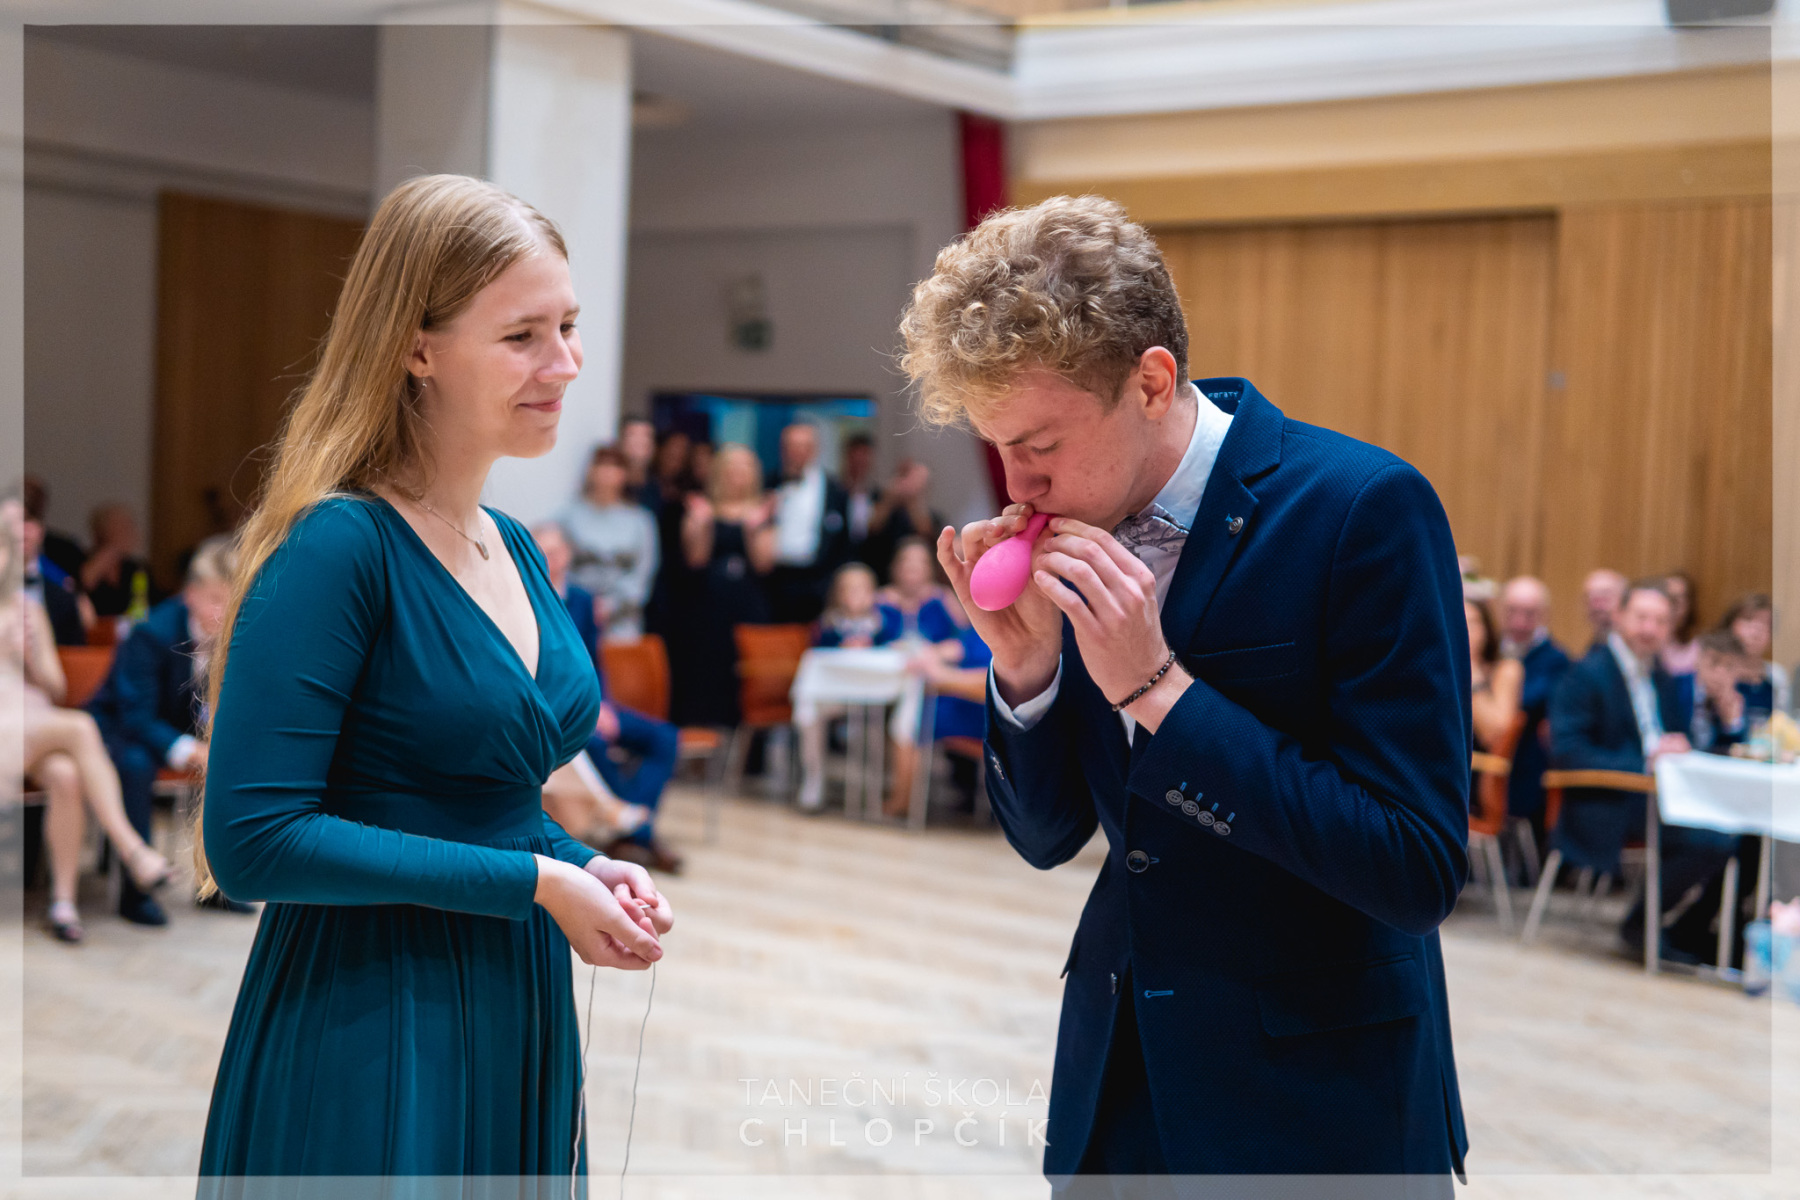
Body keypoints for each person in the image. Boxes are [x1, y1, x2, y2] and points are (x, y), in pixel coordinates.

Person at [905, 195, 1471, 1187]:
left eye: (1041, 445)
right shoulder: (1072, 523)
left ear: (1152, 381)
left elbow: (1414, 868)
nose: (1018, 486)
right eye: (1000, 449)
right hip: (1116, 1086)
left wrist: (1159, 691)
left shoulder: (1362, 510)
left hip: (1317, 1103)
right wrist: (1027, 669)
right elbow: (1048, 839)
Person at [190, 174, 671, 1190]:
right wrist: (535, 883)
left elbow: (477, 799)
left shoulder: (513, 547)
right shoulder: (340, 544)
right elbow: (253, 841)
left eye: (569, 326)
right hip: (372, 1006)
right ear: (418, 349)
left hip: (509, 982)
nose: (565, 363)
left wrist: (578, 862)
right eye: (523, 336)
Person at [1, 496, 174, 944]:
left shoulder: (30, 610)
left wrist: (29, 658)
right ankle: (133, 849)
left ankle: (62, 903)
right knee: (81, 727)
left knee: (66, 774)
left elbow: (57, 688)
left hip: (36, 725)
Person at [1547, 580, 1737, 962]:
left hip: (1660, 796)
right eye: (1641, 618)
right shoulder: (1587, 672)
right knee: (1714, 839)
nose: (1650, 629)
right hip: (1607, 801)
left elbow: (1676, 736)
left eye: (1660, 621)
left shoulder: (1660, 676)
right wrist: (1645, 764)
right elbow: (1568, 751)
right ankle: (1641, 926)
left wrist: (1685, 743)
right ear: (1619, 616)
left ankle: (1695, 934)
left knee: (1741, 832)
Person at [87, 535, 253, 925]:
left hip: (174, 729)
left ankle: (213, 883)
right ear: (190, 594)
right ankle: (135, 891)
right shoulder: (152, 632)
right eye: (215, 599)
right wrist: (192, 750)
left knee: (230, 764)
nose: (225, 611)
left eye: (234, 600)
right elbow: (135, 716)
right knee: (136, 764)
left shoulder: (236, 635)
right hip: (120, 728)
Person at [530, 521, 682, 873]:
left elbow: (594, 661)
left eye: (555, 551)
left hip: (591, 702)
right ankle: (640, 835)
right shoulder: (526, 597)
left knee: (664, 737)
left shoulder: (582, 600)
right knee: (592, 744)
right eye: (542, 552)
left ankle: (630, 833)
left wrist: (603, 705)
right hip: (555, 709)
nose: (550, 559)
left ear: (568, 554)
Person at [666, 443, 775, 728]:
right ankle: (706, 738)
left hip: (748, 605)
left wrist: (753, 528)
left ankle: (747, 745)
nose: (738, 473)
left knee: (747, 674)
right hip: (708, 605)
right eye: (732, 466)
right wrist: (701, 524)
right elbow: (696, 559)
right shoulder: (702, 507)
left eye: (745, 466)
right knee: (707, 672)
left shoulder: (763, 511)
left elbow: (764, 565)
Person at [795, 562, 894, 812]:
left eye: (862, 589)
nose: (856, 595)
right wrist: (842, 646)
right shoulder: (829, 624)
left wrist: (872, 645)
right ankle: (813, 777)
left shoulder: (882, 623)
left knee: (874, 727)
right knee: (811, 714)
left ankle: (873, 784)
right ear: (838, 594)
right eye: (850, 589)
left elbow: (893, 647)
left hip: (874, 696)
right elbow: (816, 652)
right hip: (836, 696)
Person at [555, 445, 659, 641]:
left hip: (623, 621)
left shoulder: (640, 521)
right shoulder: (568, 517)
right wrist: (581, 603)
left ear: (624, 474)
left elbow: (643, 573)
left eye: (614, 466)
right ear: (591, 470)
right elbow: (556, 565)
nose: (607, 473)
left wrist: (612, 605)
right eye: (602, 465)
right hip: (574, 615)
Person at [1497, 576, 1571, 839]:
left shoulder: (1556, 660)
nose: (1519, 622)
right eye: (1512, 611)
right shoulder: (1493, 651)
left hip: (1526, 769)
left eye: (1529, 614)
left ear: (1544, 615)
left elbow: (1525, 703)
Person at [765, 421, 851, 623]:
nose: (798, 452)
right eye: (793, 446)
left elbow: (844, 541)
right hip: (774, 580)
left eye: (804, 446)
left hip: (816, 580)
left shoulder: (835, 489)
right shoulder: (767, 483)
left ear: (815, 449)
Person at [20, 500, 87, 645]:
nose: (20, 530)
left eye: (26, 520)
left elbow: (75, 650)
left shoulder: (62, 591)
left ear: (41, 529)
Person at [876, 537, 961, 645]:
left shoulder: (943, 597)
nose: (913, 566)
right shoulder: (879, 600)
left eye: (921, 561)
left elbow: (967, 634)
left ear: (931, 568)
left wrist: (946, 648)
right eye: (906, 560)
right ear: (894, 566)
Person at [79, 502, 156, 621]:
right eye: (122, 527)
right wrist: (109, 553)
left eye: (130, 526)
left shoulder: (136, 569)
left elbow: (142, 612)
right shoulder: (81, 560)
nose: (130, 533)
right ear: (102, 531)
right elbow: (81, 587)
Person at [1717, 591, 1790, 717]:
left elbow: (1784, 722)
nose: (1756, 632)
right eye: (1748, 620)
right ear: (1731, 625)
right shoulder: (1715, 670)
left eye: (1765, 624)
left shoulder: (1777, 677)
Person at [1467, 596, 1523, 754]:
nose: (1465, 631)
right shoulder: (1437, 670)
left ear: (1486, 629)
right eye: (1459, 622)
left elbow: (1495, 735)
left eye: (1472, 623)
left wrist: (1472, 669)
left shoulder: (1506, 668)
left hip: (1480, 764)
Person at [1690, 629, 1753, 755]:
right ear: (1697, 662)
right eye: (1714, 662)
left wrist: (1731, 723)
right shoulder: (1678, 693)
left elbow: (1735, 755)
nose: (1720, 672)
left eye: (1729, 667)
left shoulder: (1737, 702)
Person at [1582, 568, 1627, 651]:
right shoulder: (1592, 652)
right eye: (1592, 599)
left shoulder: (1644, 646)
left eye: (1604, 597)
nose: (1597, 606)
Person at [618, 416, 658, 508]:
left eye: (647, 436)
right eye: (632, 435)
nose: (640, 441)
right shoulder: (609, 484)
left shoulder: (656, 488)